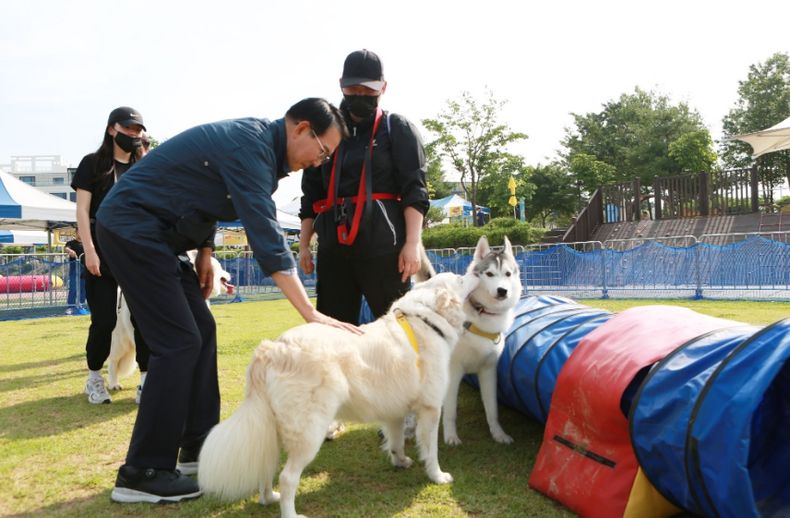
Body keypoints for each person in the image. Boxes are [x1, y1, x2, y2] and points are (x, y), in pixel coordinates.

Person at [95, 97, 361, 504]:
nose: (320, 161)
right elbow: (266, 235)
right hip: (132, 227)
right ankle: (142, 471)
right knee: (177, 340)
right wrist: (310, 312)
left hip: (162, 236)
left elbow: (204, 194)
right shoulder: (251, 148)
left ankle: (197, 449)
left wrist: (204, 252)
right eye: (322, 151)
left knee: (201, 329)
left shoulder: (262, 154)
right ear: (302, 128)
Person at [299, 49, 429, 324]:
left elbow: (414, 191)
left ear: (383, 87)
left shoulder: (398, 128)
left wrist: (412, 243)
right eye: (353, 89)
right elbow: (311, 193)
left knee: (398, 331)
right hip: (334, 249)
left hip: (384, 250)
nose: (360, 96)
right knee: (332, 332)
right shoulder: (323, 130)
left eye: (369, 90)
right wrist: (304, 245)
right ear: (341, 85)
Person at [71, 106, 152, 405]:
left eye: (138, 129)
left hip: (136, 253)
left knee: (145, 318)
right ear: (111, 129)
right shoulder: (93, 164)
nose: (134, 134)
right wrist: (89, 251)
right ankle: (94, 377)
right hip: (101, 251)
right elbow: (81, 211)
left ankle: (146, 380)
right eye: (128, 128)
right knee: (104, 320)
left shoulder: (145, 166)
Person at [64, 230, 86, 313]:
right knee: (73, 287)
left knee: (83, 288)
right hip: (74, 268)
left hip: (85, 268)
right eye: (79, 232)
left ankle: (81, 305)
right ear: (76, 233)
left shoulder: (87, 242)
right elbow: (66, 248)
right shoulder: (71, 243)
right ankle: (70, 307)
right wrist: (70, 251)